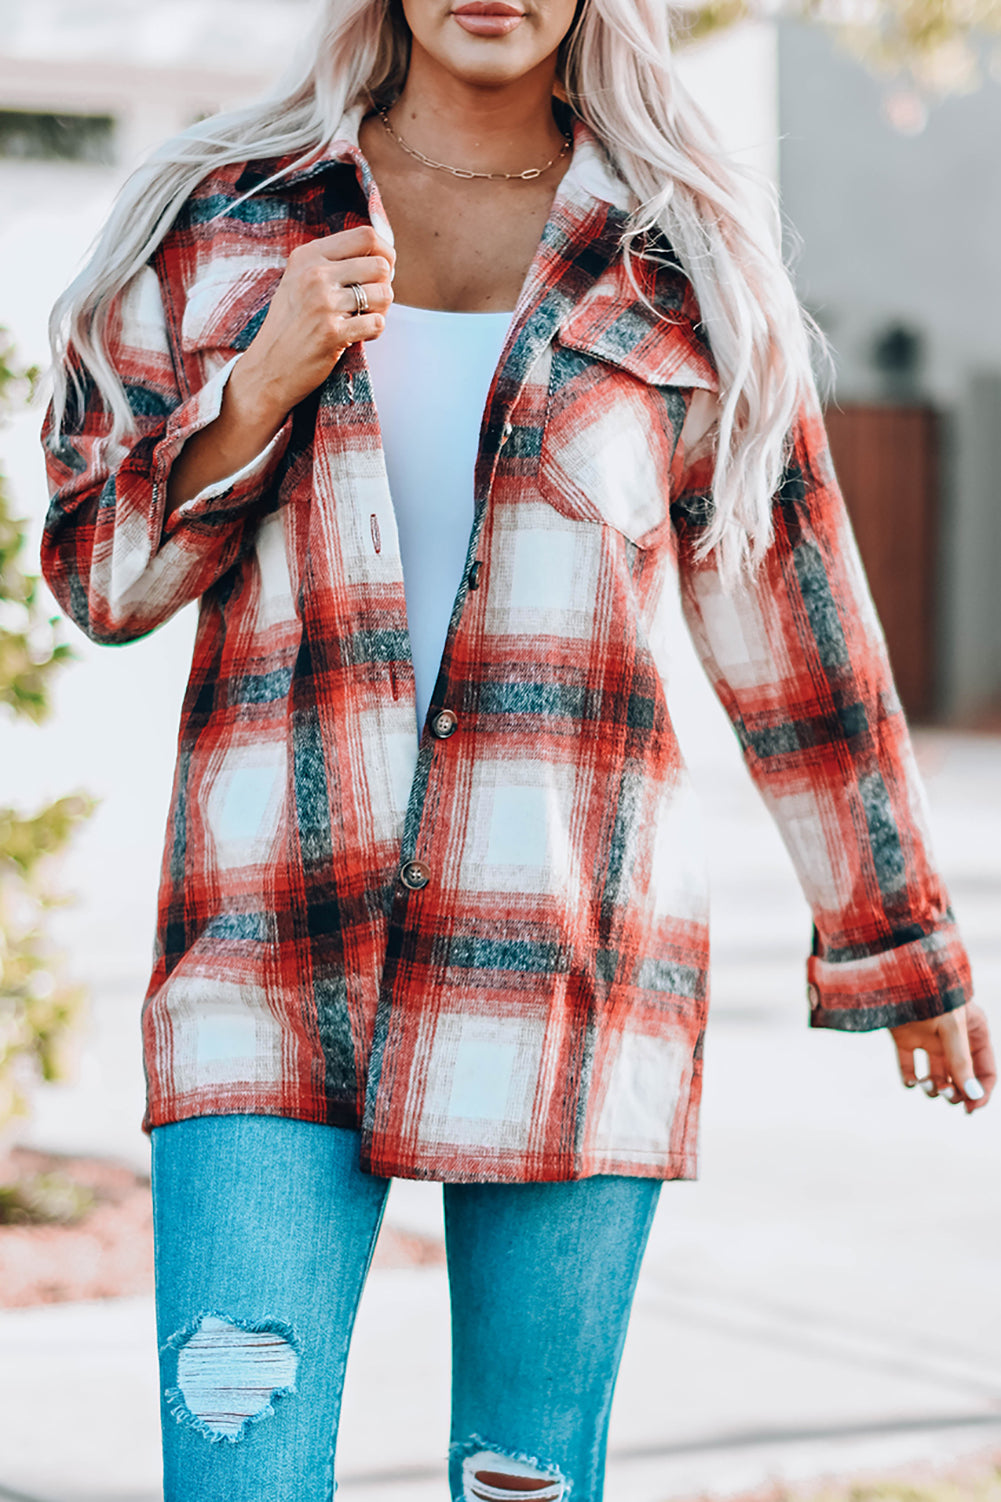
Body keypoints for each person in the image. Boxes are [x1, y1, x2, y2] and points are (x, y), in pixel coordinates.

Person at [41, 0, 995, 1497]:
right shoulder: (226, 222)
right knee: (235, 1464)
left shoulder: (677, 262)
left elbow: (795, 629)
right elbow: (102, 578)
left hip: (567, 964)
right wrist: (258, 386)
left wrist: (897, 938)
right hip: (263, 953)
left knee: (528, 1480)